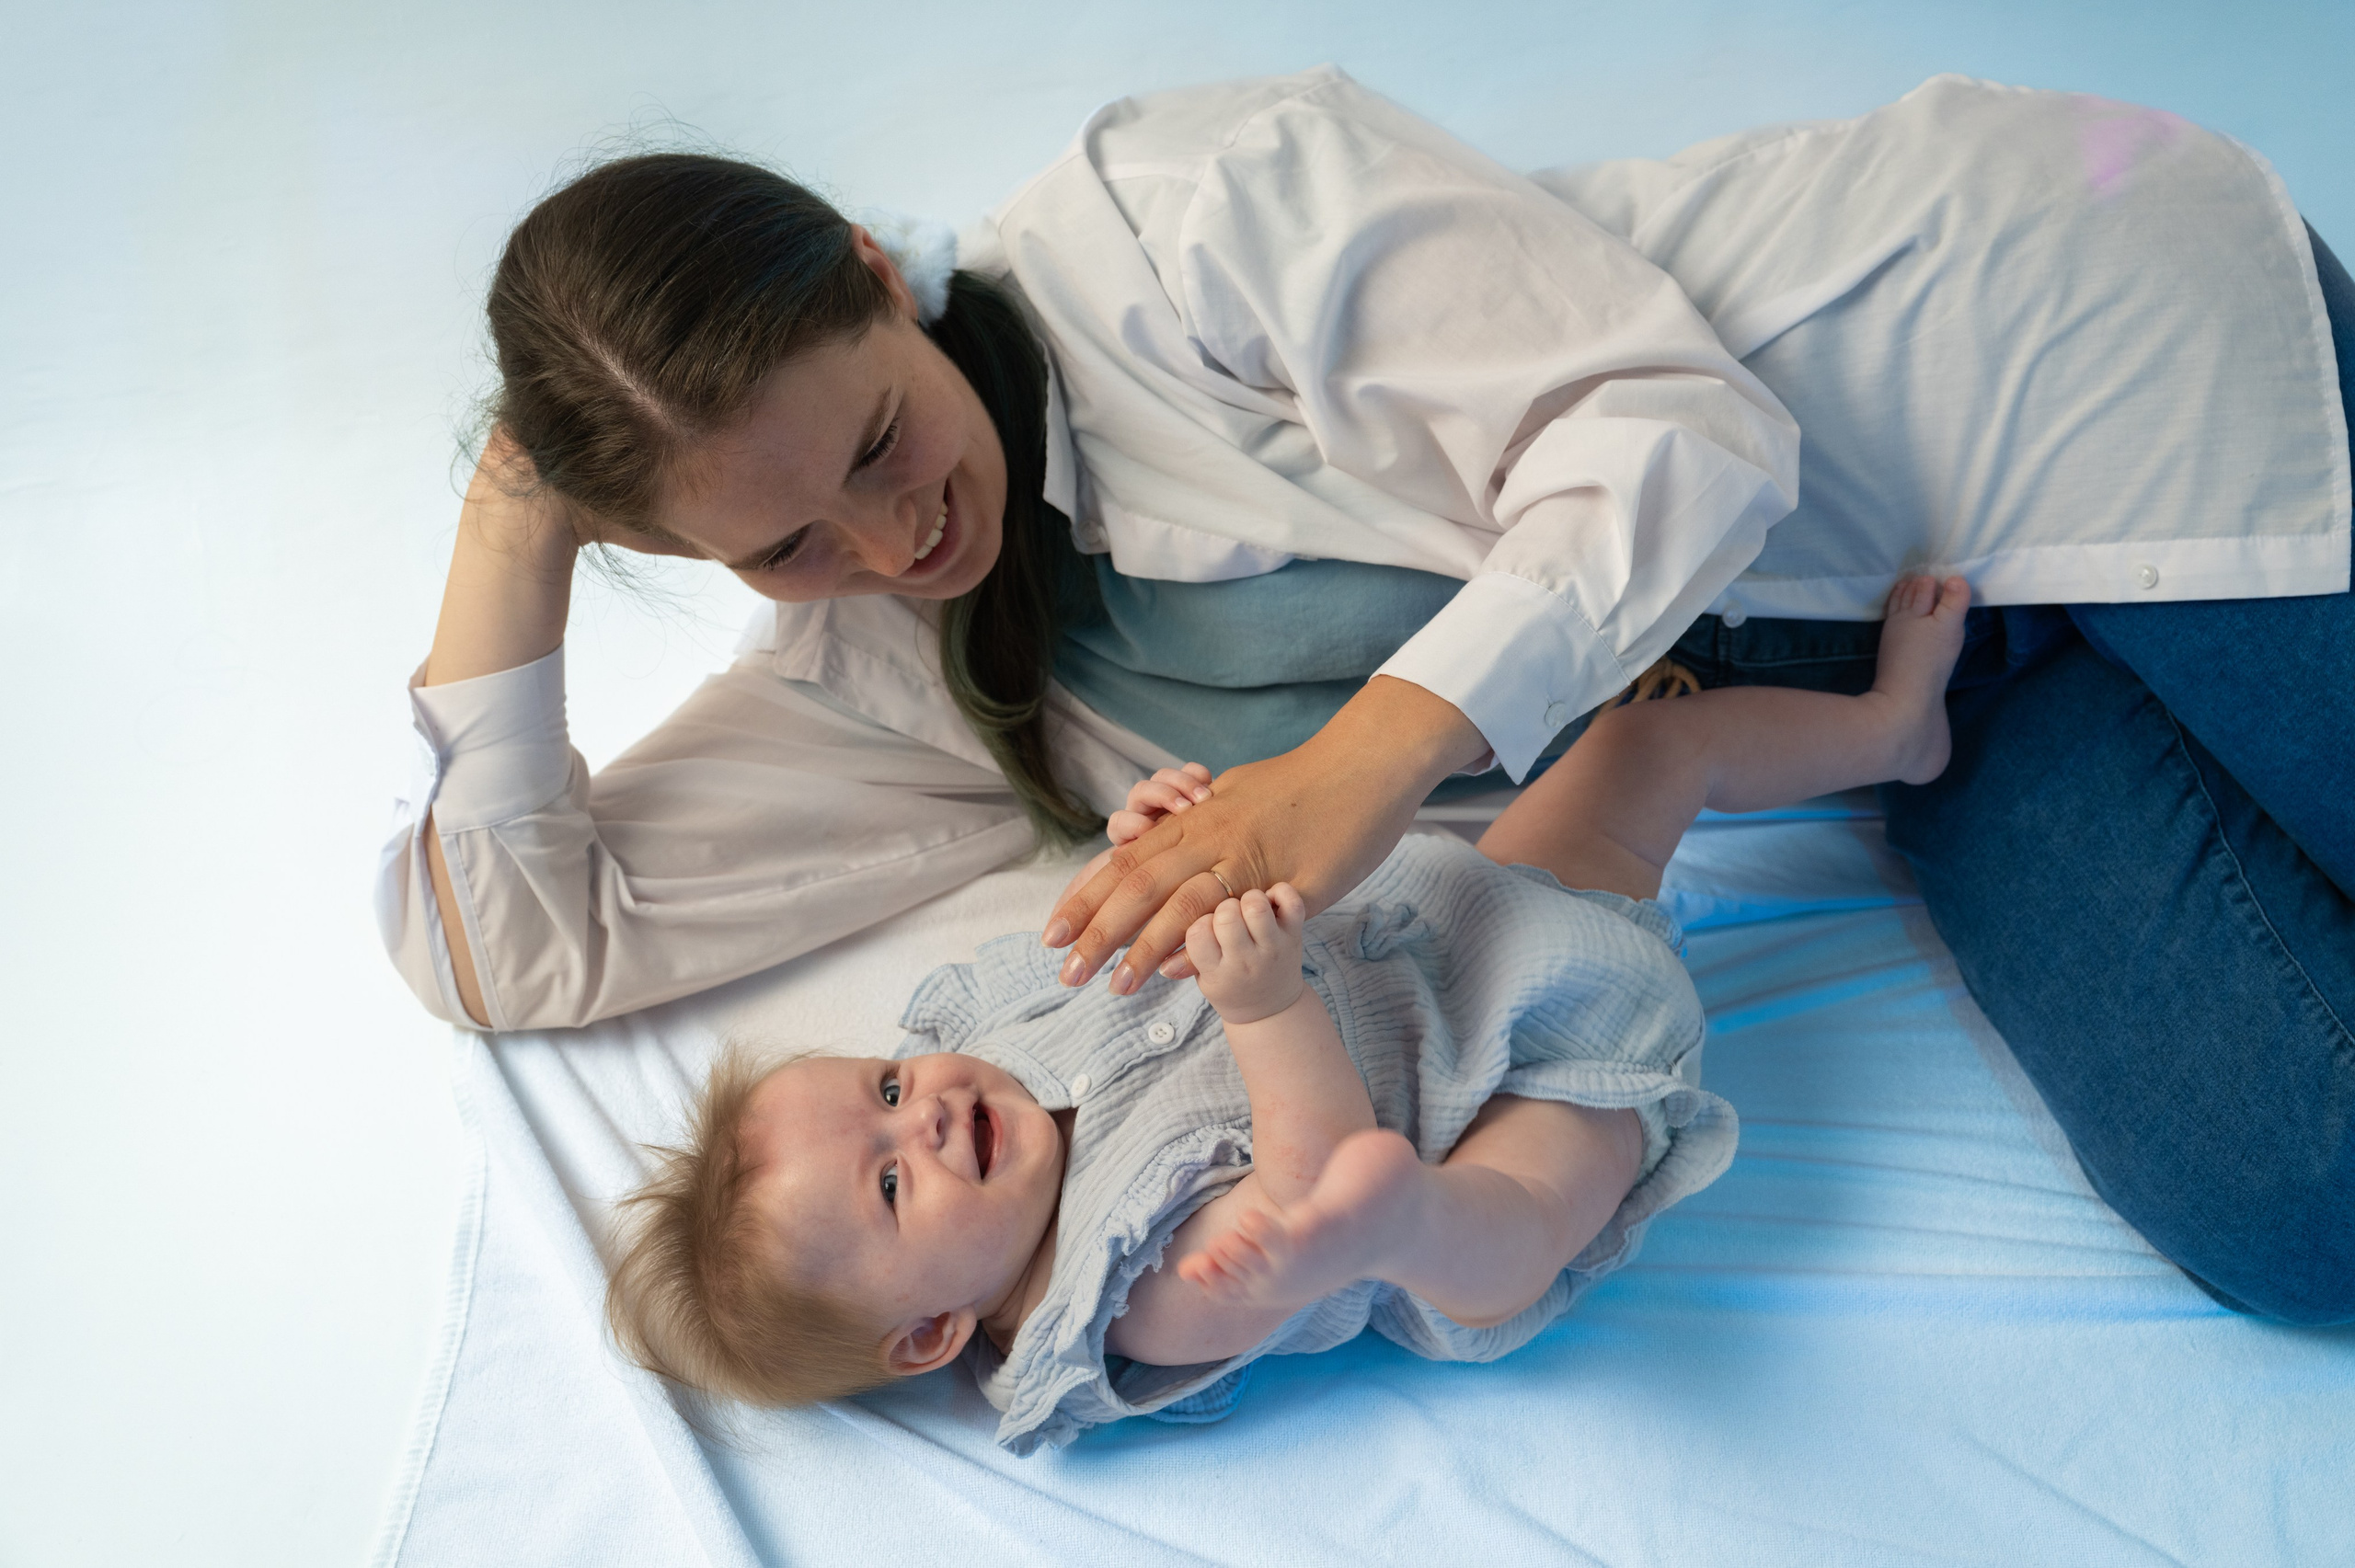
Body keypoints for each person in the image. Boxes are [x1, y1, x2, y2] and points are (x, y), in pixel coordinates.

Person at [382, 69, 2352, 1323]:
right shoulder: (898, 681)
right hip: (1923, 685)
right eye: (783, 543)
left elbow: (1683, 437)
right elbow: (512, 944)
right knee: (2294, 1202)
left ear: (866, 276)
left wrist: (1362, 762)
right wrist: (524, 494)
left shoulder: (1168, 213)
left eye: (882, 443)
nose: (890, 543)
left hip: (2042, 378)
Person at [603, 578, 1972, 1452]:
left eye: (885, 1091)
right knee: (1495, 1232)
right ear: (930, 1337)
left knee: (1650, 746)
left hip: (1470, 929)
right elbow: (1307, 1174)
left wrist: (1146, 845)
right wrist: (1261, 1007)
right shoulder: (1130, 1298)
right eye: (893, 1183)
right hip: (1524, 1088)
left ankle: (1896, 727)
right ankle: (1420, 1224)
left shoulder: (997, 1050)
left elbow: (1122, 933)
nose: (930, 1108)